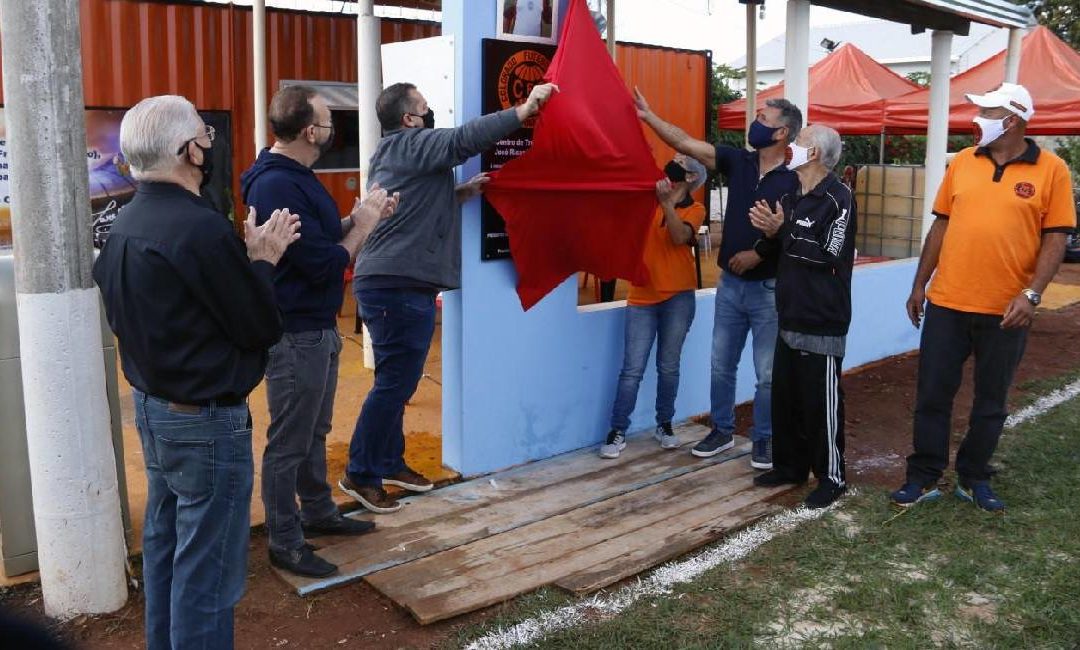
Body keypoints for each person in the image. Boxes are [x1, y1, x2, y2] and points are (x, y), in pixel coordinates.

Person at [93, 95, 300, 650]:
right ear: (189, 150)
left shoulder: (123, 224)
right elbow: (259, 326)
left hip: (157, 413)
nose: (209, 146)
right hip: (205, 424)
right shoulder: (200, 229)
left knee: (166, 549)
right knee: (206, 574)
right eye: (204, 137)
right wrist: (263, 259)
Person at [340, 80, 559, 513]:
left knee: (396, 382)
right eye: (423, 106)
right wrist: (524, 109)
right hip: (395, 284)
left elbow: (413, 205)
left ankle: (388, 461)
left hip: (396, 282)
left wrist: (460, 194)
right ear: (408, 119)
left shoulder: (401, 153)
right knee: (393, 385)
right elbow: (464, 140)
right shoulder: (409, 143)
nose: (430, 111)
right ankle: (360, 474)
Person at [890, 83, 1076, 512]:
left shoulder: (1052, 170)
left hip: (1006, 310)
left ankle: (974, 476)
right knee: (932, 394)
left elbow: (1056, 238)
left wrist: (1031, 295)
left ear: (1011, 120)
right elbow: (941, 226)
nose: (977, 120)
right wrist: (920, 284)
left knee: (991, 401)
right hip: (948, 303)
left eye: (986, 113)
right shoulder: (963, 165)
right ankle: (924, 475)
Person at [241, 86, 398, 578]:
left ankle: (318, 512)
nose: (334, 129)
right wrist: (365, 228)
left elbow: (322, 237)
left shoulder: (294, 178)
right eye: (329, 120)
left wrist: (357, 216)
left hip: (316, 329)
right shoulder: (276, 186)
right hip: (295, 333)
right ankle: (285, 541)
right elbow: (321, 264)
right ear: (311, 131)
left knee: (314, 431)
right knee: (289, 440)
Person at [634, 90, 802, 469]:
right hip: (730, 287)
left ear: (781, 133)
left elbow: (795, 234)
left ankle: (764, 439)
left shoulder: (794, 182)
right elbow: (683, 141)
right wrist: (649, 116)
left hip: (767, 290)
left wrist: (760, 252)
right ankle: (722, 431)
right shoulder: (738, 161)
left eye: (763, 118)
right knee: (720, 364)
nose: (754, 123)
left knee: (767, 374)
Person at [748, 124, 856, 510]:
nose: (790, 147)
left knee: (821, 402)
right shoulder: (793, 194)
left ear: (812, 154)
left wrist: (784, 229)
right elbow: (786, 248)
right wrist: (767, 236)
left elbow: (829, 253)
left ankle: (832, 477)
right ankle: (790, 466)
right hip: (789, 313)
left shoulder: (839, 198)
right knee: (787, 399)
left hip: (821, 318)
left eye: (798, 142)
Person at [599, 155, 708, 459]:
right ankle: (618, 428)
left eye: (680, 163)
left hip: (679, 297)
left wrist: (667, 205)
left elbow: (679, 236)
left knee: (668, 366)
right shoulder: (646, 198)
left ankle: (664, 423)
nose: (672, 165)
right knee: (631, 369)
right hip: (642, 295)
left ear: (690, 177)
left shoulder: (695, 208)